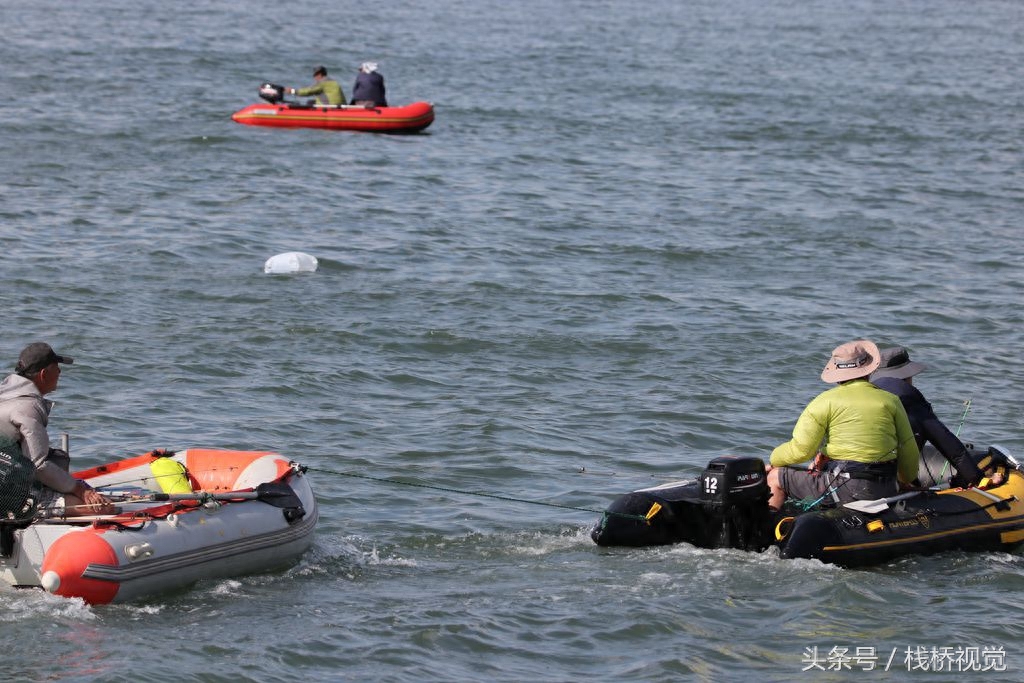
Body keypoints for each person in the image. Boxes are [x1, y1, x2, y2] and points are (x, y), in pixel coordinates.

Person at [766, 339, 920, 510]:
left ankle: (769, 531)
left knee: (775, 477)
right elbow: (908, 447)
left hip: (846, 489)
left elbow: (802, 451)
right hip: (886, 488)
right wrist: (905, 480)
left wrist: (774, 460)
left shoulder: (823, 402)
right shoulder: (891, 400)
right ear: (868, 370)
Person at [0, 342, 114, 516]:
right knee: (104, 509)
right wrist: (79, 489)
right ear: (44, 374)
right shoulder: (28, 408)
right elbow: (38, 465)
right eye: (57, 368)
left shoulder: (6, 396)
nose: (60, 372)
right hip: (10, 494)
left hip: (8, 477)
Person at [870, 346, 985, 488]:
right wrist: (977, 478)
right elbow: (949, 445)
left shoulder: (863, 396)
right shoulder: (912, 402)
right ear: (908, 376)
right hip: (889, 482)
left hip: (847, 478)